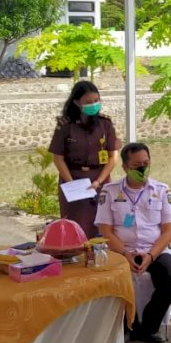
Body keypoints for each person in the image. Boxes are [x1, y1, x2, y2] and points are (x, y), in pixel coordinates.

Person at [95, 143, 171, 343]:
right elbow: (105, 231)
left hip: (155, 250)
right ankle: (126, 326)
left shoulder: (161, 190)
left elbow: (169, 229)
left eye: (146, 163)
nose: (143, 169)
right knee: (111, 280)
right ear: (125, 167)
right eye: (137, 165)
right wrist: (126, 253)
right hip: (120, 250)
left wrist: (151, 255)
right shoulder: (109, 192)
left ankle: (148, 328)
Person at [50, 80, 121, 240]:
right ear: (76, 102)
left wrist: (98, 182)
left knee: (102, 225)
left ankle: (101, 259)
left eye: (96, 101)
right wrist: (72, 184)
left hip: (100, 179)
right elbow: (58, 158)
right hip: (72, 180)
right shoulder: (65, 126)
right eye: (88, 102)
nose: (94, 105)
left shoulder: (105, 124)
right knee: (75, 226)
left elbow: (112, 157)